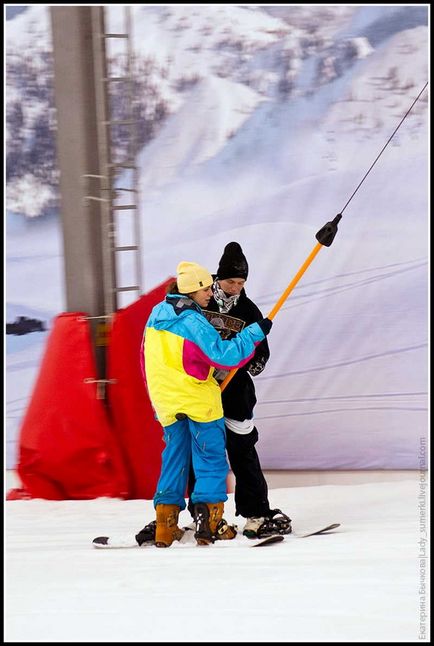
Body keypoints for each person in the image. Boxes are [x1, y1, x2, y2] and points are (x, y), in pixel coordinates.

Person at [139, 260, 273, 548]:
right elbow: (224, 355)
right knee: (210, 460)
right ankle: (209, 524)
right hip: (198, 401)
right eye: (203, 290)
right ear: (191, 292)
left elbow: (144, 358)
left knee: (174, 460)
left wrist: (157, 396)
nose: (209, 294)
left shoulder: (156, 314)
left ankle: (166, 526)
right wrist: (255, 332)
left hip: (166, 401)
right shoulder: (192, 321)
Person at [188, 242, 292, 539]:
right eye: (231, 281)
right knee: (202, 452)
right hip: (202, 391)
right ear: (218, 278)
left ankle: (256, 511)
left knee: (242, 451)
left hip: (236, 394)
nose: (236, 287)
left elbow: (262, 355)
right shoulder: (200, 302)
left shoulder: (248, 310)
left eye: (241, 282)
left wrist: (245, 364)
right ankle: (201, 514)